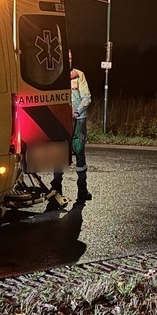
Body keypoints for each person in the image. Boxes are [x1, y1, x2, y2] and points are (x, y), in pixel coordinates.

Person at [49, 50, 92, 208]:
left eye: (71, 58)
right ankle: (56, 189)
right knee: (59, 153)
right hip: (62, 121)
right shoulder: (54, 76)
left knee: (80, 154)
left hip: (78, 121)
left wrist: (77, 111)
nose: (69, 60)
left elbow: (87, 97)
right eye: (66, 59)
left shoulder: (79, 75)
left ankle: (82, 189)